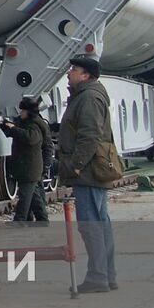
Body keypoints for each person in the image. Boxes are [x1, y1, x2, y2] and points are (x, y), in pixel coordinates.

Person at [58, 55, 118, 292]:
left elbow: (90, 134)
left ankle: (98, 277)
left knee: (91, 224)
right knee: (100, 223)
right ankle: (106, 275)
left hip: (89, 172)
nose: (69, 73)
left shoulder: (89, 98)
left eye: (74, 69)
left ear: (86, 75)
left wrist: (76, 164)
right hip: (91, 170)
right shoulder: (87, 95)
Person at [0, 96, 51, 226]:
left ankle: (20, 220)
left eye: (22, 111)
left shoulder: (34, 125)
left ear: (28, 112)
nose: (20, 113)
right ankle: (42, 220)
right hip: (28, 166)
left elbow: (30, 139)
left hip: (30, 166)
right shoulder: (30, 123)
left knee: (25, 196)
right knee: (34, 195)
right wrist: (6, 125)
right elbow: (17, 132)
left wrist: (13, 128)